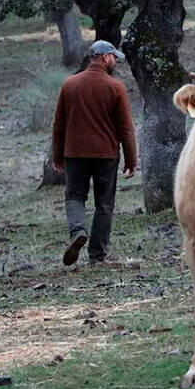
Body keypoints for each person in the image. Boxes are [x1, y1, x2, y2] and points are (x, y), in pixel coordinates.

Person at [52, 40, 138, 265]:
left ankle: (77, 231)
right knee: (104, 204)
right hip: (105, 154)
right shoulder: (115, 87)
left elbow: (59, 124)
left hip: (74, 153)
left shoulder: (69, 85)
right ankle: (97, 256)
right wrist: (131, 160)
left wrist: (57, 156)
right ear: (103, 57)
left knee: (74, 196)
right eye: (113, 57)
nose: (116, 61)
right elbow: (126, 129)